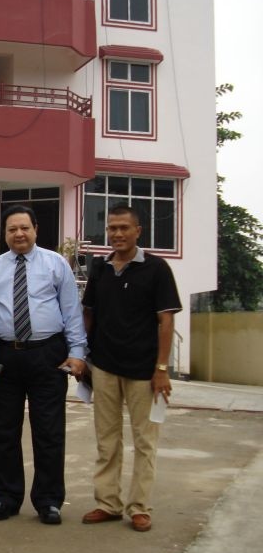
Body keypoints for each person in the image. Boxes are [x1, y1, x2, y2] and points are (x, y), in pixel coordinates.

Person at [0, 204, 87, 525]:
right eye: (12, 229)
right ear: (5, 234)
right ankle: (6, 496)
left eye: (24, 227)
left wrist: (78, 351)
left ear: (36, 229)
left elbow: (71, 310)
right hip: (4, 355)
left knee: (49, 431)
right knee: (2, 431)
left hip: (48, 355)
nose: (19, 234)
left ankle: (49, 500)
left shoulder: (56, 265)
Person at [81, 204, 182, 533]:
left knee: (144, 441)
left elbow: (165, 320)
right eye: (112, 228)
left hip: (145, 372)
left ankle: (139, 507)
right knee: (106, 441)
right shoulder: (101, 269)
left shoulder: (156, 268)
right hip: (105, 368)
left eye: (124, 228)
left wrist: (162, 368)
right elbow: (89, 313)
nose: (117, 234)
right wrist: (85, 356)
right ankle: (107, 503)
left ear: (138, 231)